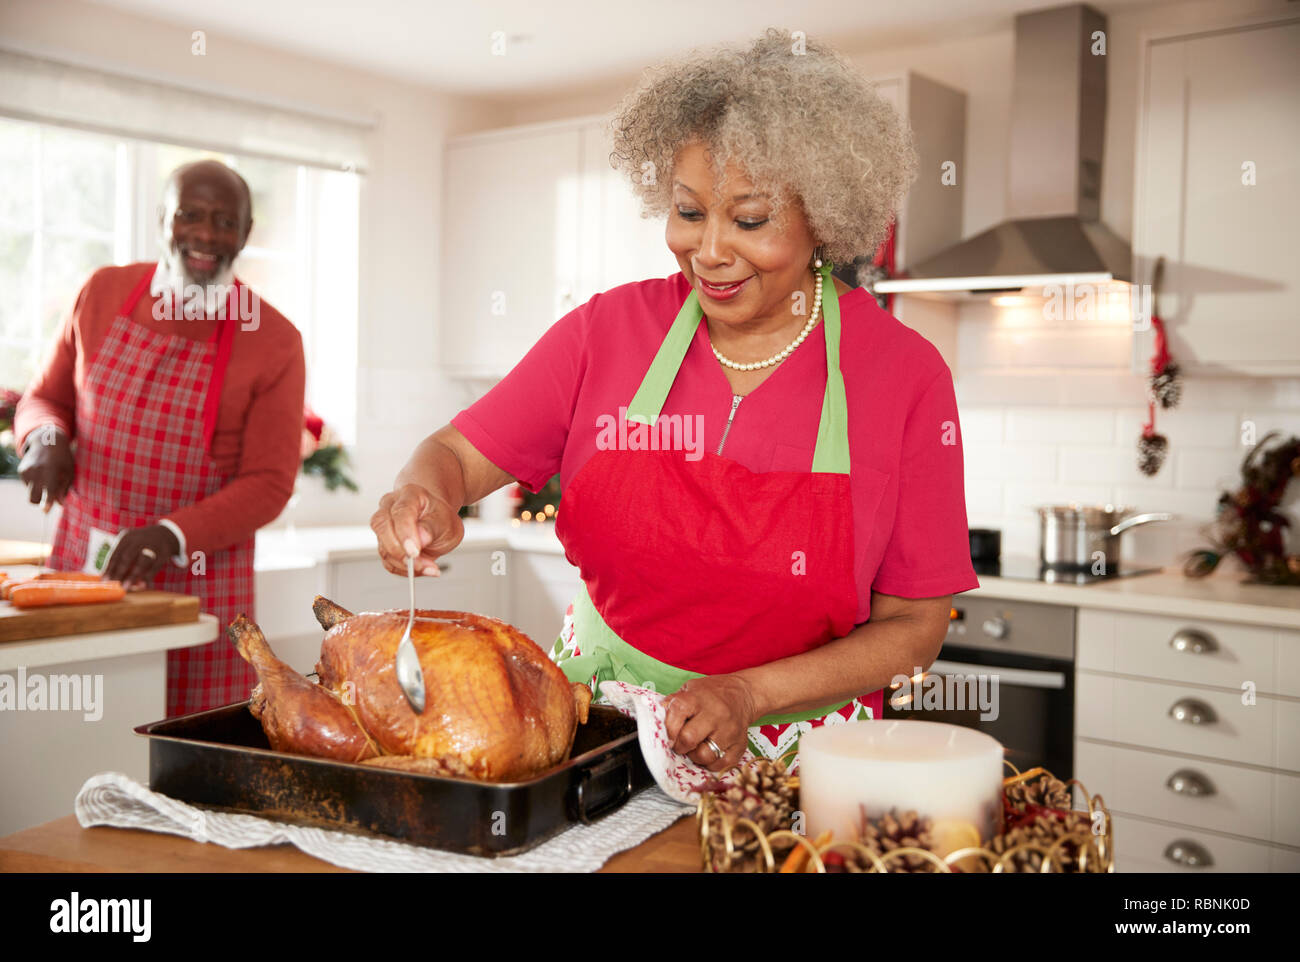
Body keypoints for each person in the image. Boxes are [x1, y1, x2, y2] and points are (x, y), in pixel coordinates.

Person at [371, 29, 978, 771]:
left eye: (749, 221)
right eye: (690, 213)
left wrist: (749, 694)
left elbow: (916, 624)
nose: (711, 251)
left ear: (823, 216)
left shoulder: (902, 373)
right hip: (596, 724)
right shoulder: (607, 331)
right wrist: (423, 495)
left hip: (799, 760)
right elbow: (455, 454)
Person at [15, 159, 306, 717]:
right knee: (74, 733)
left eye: (225, 222)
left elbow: (269, 482)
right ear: (162, 220)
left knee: (185, 758)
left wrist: (171, 535)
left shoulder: (274, 340)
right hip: (83, 569)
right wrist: (45, 437)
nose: (204, 235)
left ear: (244, 236)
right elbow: (45, 397)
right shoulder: (103, 291)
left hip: (199, 587)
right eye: (189, 215)